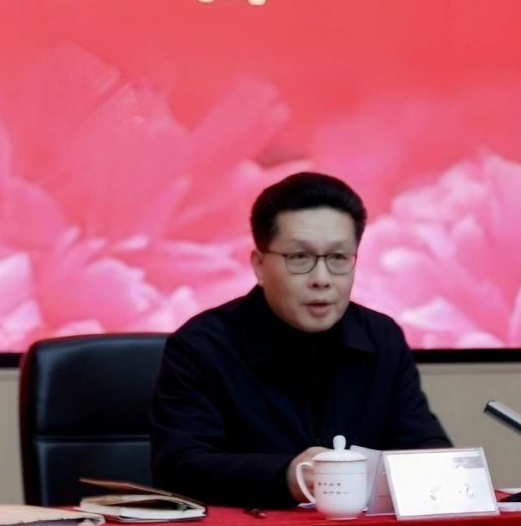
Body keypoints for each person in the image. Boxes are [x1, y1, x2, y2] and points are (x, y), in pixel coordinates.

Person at [149, 171, 450, 508]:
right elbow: (178, 468)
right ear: (259, 265)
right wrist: (285, 477)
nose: (321, 279)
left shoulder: (381, 339)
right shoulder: (201, 347)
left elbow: (426, 450)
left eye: (338, 258)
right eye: (299, 258)